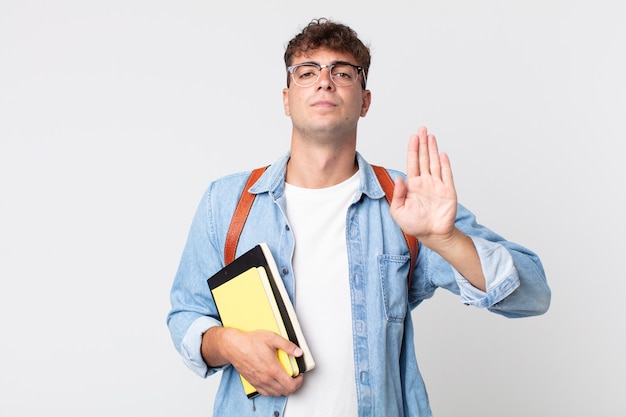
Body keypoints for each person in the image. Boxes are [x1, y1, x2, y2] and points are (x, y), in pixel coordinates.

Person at [166, 17, 551, 417]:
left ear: (365, 100)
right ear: (286, 98)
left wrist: (446, 240)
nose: (325, 81)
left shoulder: (406, 202)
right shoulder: (227, 202)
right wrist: (228, 344)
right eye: (307, 71)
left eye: (343, 72)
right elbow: (185, 316)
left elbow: (534, 294)